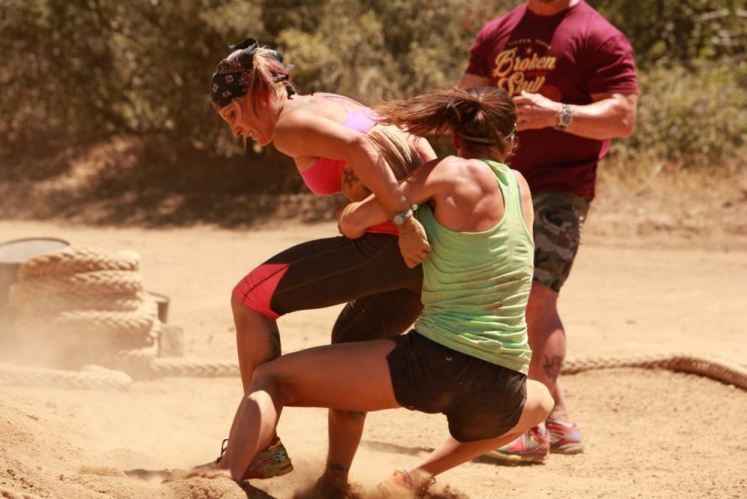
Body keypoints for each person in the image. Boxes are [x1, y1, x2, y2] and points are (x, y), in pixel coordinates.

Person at [192, 86, 554, 495]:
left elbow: (354, 223)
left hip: (430, 367)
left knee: (269, 378)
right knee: (541, 400)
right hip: (501, 387)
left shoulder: (443, 173)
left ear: (454, 140)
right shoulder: (522, 187)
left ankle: (224, 481)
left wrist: (354, 206)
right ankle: (413, 476)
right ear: (510, 142)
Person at [208, 37, 437, 481]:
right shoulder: (330, 101)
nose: (235, 130)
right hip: (420, 260)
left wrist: (405, 221)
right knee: (350, 345)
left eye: (233, 115)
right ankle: (335, 479)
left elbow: (359, 149)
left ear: (259, 93)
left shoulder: (289, 128)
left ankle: (262, 449)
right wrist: (426, 222)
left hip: (392, 246)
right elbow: (417, 143)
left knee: (248, 299)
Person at [457, 0, 638, 462]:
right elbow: (467, 100)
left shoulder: (598, 35)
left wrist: (558, 114)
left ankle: (527, 424)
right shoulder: (498, 31)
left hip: (561, 189)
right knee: (503, 293)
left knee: (537, 297)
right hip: (499, 183)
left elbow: (622, 118)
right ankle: (556, 417)